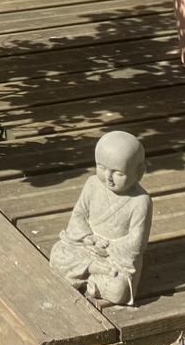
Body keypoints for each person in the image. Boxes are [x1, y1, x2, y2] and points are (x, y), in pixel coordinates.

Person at [48, 130, 152, 305]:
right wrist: (89, 237)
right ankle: (92, 271)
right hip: (86, 247)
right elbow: (79, 214)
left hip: (114, 259)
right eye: (102, 168)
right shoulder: (92, 184)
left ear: (139, 172)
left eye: (118, 173)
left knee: (119, 290)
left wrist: (108, 247)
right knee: (57, 253)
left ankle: (86, 276)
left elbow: (136, 243)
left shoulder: (140, 201)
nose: (108, 177)